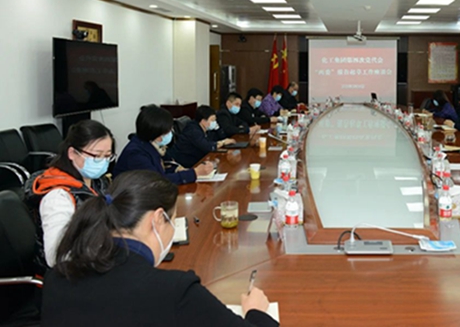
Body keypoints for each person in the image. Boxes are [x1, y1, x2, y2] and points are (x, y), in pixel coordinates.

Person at [42, 171, 278, 327]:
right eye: (173, 220)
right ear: (157, 219)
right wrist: (257, 312)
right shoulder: (174, 291)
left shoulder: (57, 278)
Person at [24, 120, 113, 268]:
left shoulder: (98, 182)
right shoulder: (58, 196)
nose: (102, 162)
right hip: (71, 271)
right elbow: (57, 256)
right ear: (72, 153)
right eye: (96, 156)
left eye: (107, 156)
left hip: (98, 258)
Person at [113, 105, 214, 185]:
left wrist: (178, 169)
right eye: (169, 130)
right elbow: (158, 181)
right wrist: (194, 173)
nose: (171, 133)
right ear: (158, 134)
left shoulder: (151, 144)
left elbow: (164, 165)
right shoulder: (136, 154)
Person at [166, 105, 235, 168]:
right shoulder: (193, 130)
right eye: (212, 120)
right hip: (181, 163)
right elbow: (208, 147)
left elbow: (218, 139)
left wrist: (218, 128)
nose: (215, 122)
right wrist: (223, 142)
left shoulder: (206, 129)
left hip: (195, 159)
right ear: (203, 121)